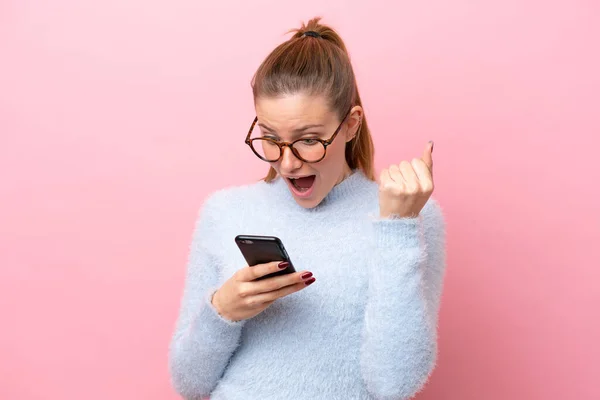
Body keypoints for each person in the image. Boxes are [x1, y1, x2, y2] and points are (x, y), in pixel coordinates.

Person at [168, 17, 447, 400]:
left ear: (350, 125)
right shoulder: (224, 211)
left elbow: (394, 384)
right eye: (270, 139)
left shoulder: (408, 217)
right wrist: (223, 311)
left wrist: (396, 228)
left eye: (309, 140)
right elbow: (189, 384)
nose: (287, 163)